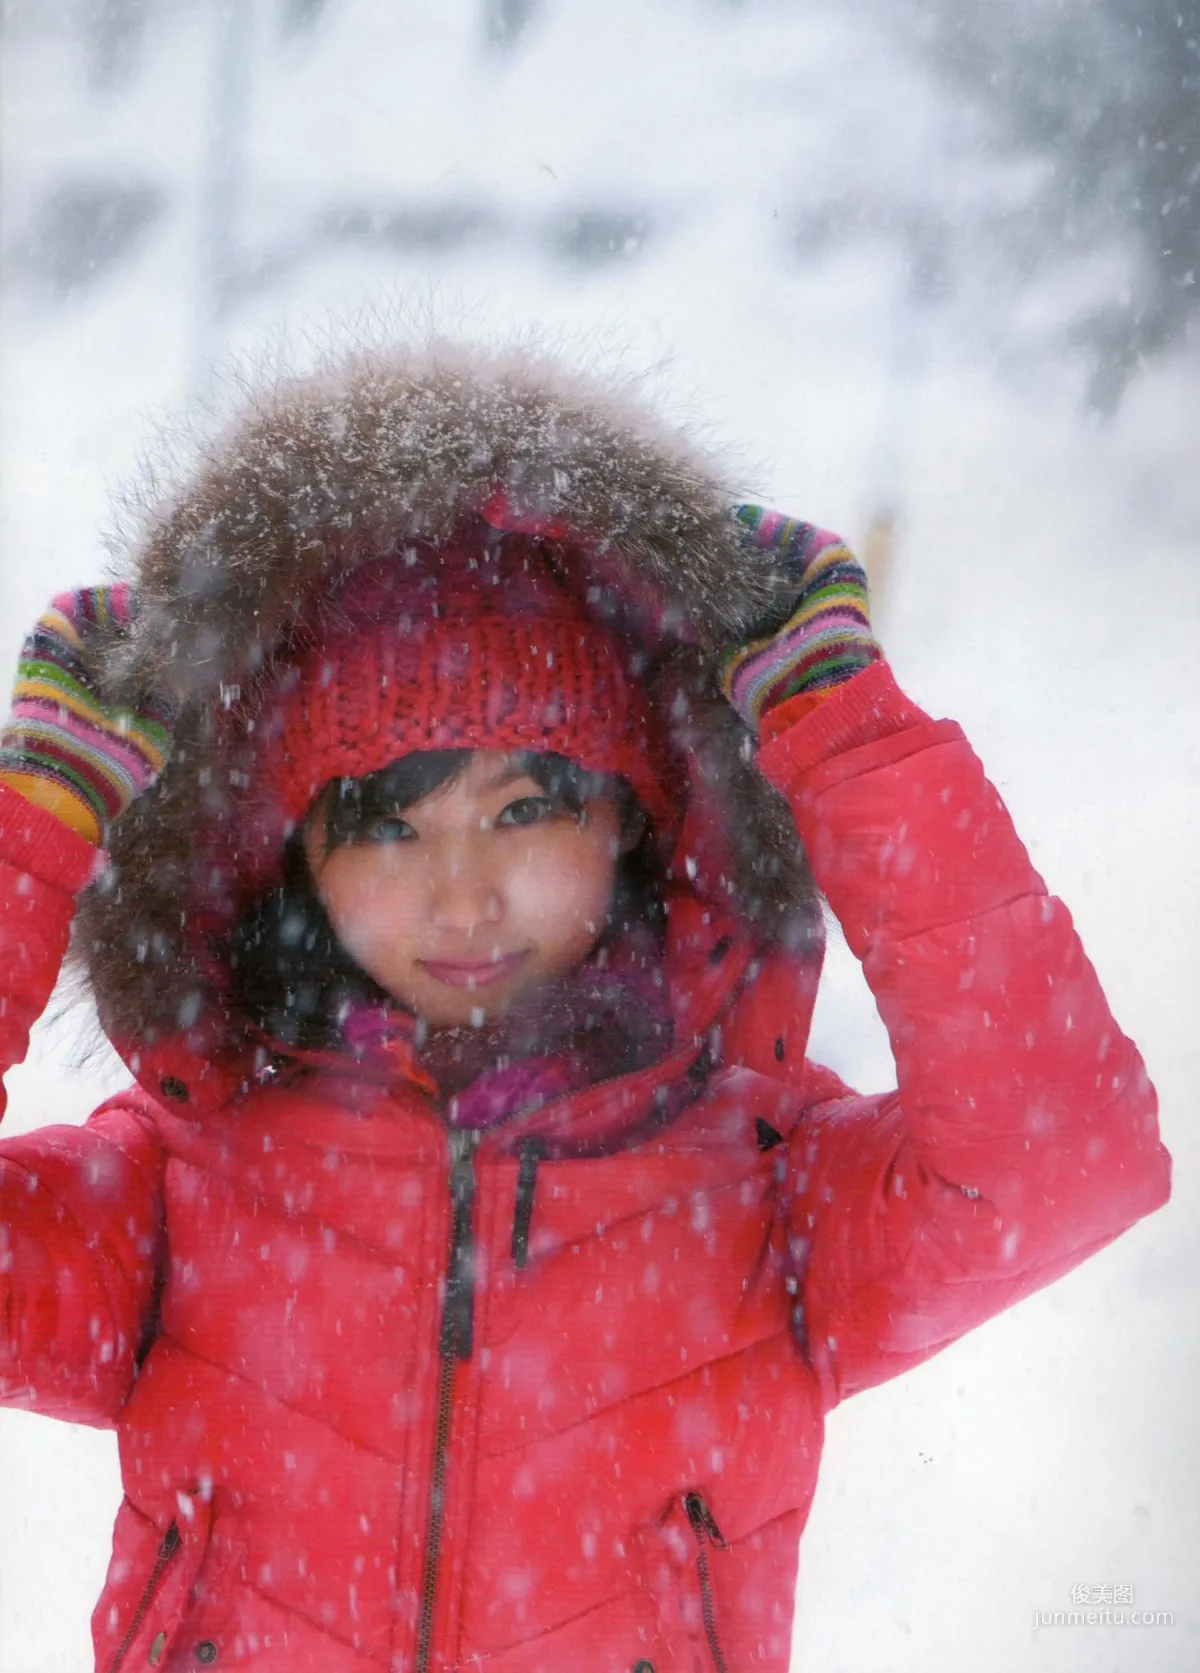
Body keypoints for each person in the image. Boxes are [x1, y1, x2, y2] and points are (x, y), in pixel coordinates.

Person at [0, 343, 1170, 1673]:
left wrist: (842, 736)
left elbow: (1062, 1160)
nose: (464, 897)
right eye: (388, 825)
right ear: (288, 861)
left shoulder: (760, 1187)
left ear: (635, 820)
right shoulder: (181, 1186)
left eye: (529, 808)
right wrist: (34, 831)